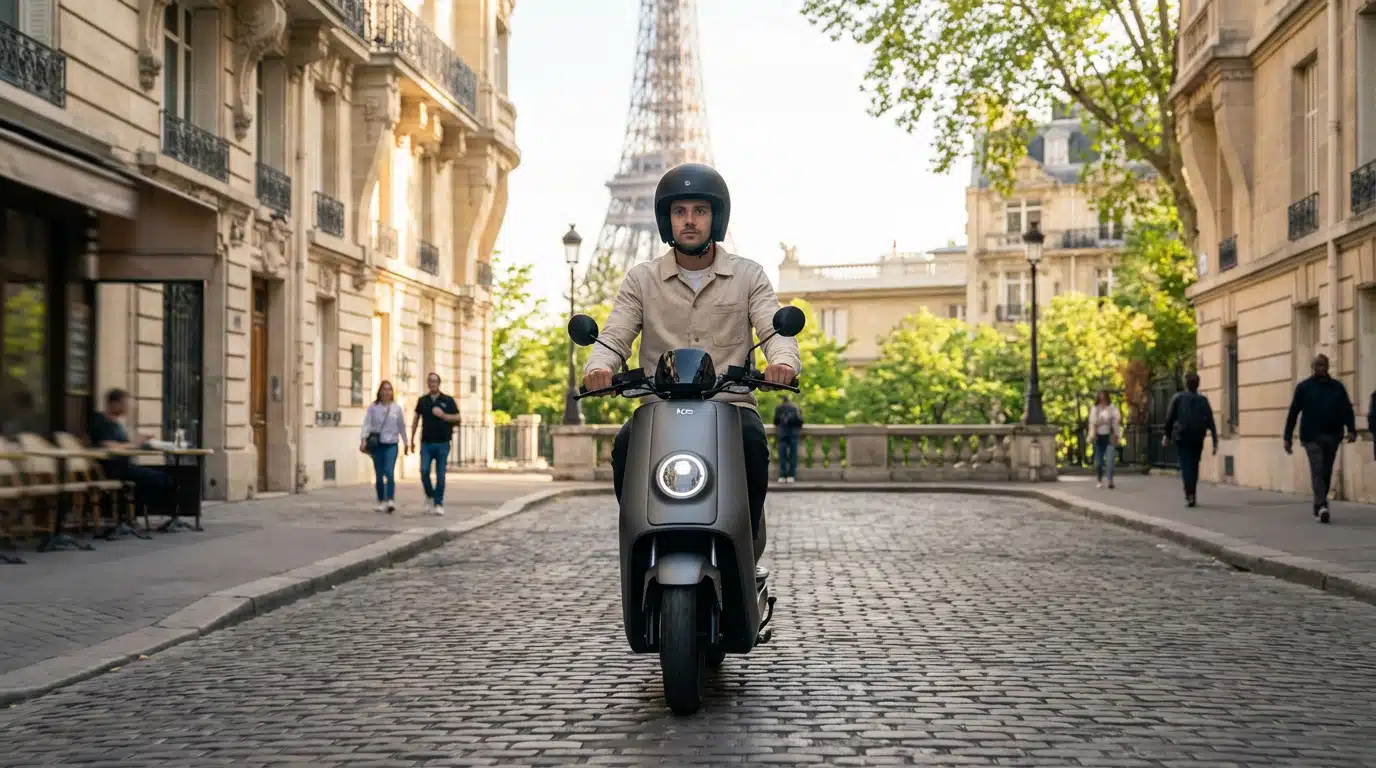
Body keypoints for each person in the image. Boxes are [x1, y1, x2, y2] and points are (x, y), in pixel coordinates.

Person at [583, 163, 802, 566]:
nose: (689, 220)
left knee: (754, 444)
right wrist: (598, 366)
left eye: (699, 211)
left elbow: (776, 330)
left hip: (729, 404)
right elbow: (614, 335)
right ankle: (638, 537)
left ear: (715, 217)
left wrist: (783, 363)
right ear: (667, 220)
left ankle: (745, 546)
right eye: (680, 211)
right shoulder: (641, 279)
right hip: (660, 406)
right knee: (624, 447)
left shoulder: (748, 276)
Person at [1283, 353, 1357, 523]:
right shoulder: (1304, 387)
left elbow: (1347, 409)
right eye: (1318, 365)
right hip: (1311, 437)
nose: (1321, 368)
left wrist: (1352, 430)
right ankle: (1323, 504)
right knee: (1317, 469)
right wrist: (1287, 437)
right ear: (1313, 367)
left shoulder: (1337, 387)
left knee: (1326, 471)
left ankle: (1318, 507)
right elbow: (1293, 413)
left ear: (1327, 366)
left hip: (1332, 435)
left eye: (1323, 365)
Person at [88, 388, 172, 519]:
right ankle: (128, 515)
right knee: (157, 480)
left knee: (164, 479)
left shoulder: (117, 424)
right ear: (113, 403)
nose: (126, 408)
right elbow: (109, 446)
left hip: (124, 466)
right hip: (111, 468)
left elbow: (125, 445)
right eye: (124, 404)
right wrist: (135, 443)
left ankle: (130, 514)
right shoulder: (101, 421)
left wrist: (143, 443)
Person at [1162, 372, 1218, 507]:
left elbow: (1170, 418)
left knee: (1186, 466)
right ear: (1198, 384)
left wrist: (1167, 435)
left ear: (1186, 384)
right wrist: (1215, 440)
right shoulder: (1203, 400)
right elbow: (1210, 421)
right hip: (1198, 437)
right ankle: (1192, 492)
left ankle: (1190, 494)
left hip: (1182, 437)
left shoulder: (1178, 398)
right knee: (1194, 465)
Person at [410, 373, 460, 515]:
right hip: (426, 442)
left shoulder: (447, 400)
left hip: (443, 443)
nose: (432, 384)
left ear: (439, 383)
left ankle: (438, 503)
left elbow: (458, 417)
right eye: (430, 381)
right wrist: (412, 439)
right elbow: (416, 419)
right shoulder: (423, 401)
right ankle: (430, 495)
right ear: (427, 383)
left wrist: (444, 416)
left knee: (440, 474)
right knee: (424, 471)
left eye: (435, 381)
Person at [359, 380, 408, 513]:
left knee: (389, 472)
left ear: (392, 392)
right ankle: (381, 501)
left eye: (389, 389)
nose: (387, 392)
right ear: (380, 392)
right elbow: (367, 424)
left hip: (392, 444)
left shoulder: (396, 408)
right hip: (378, 444)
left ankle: (390, 500)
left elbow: (401, 426)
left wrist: (406, 442)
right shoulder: (373, 408)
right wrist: (363, 439)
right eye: (384, 389)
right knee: (379, 474)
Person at [1087, 389, 1121, 489]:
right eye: (1100, 395)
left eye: (1103, 396)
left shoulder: (1112, 408)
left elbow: (1117, 419)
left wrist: (1116, 434)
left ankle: (1110, 481)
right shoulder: (1095, 408)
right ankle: (1099, 480)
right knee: (1098, 463)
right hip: (1098, 437)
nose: (1102, 398)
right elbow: (1093, 421)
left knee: (1110, 460)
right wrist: (1102, 421)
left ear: (1106, 397)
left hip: (1109, 436)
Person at [772, 395, 804, 483]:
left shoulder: (779, 408)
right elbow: (801, 422)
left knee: (782, 456)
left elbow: (775, 421)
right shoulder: (795, 408)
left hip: (782, 434)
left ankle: (782, 475)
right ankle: (791, 475)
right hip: (793, 434)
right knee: (793, 456)